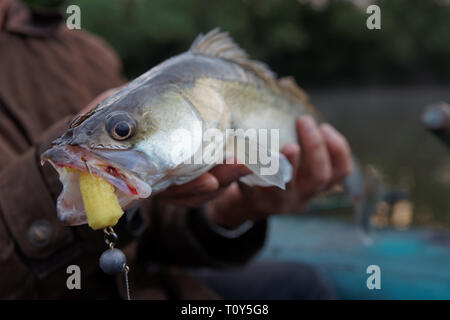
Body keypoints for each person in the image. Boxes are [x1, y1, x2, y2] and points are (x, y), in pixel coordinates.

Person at [0, 0, 352, 299]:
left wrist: (222, 215)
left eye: (122, 130)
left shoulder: (87, 50)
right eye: (123, 130)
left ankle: (359, 185)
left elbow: (152, 223)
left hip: (153, 282)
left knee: (305, 283)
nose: (121, 134)